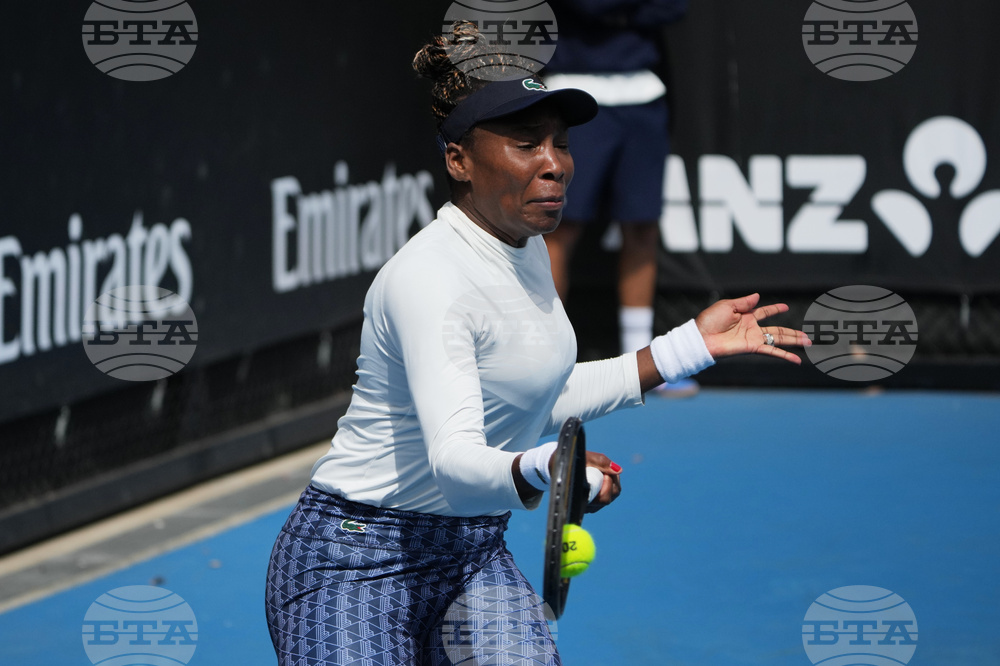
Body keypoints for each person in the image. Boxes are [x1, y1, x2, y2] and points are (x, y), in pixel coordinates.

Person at [265, 21, 810, 666]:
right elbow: (456, 465)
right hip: (356, 561)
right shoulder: (429, 280)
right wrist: (548, 468)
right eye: (527, 145)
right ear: (458, 160)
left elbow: (539, 387)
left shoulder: (524, 246)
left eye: (560, 143)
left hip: (471, 554)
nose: (555, 165)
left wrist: (690, 346)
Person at [541, 0, 696, 395]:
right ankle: (547, 365)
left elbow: (674, 7)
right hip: (573, 89)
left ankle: (641, 364)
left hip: (644, 93)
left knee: (642, 226)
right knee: (559, 228)